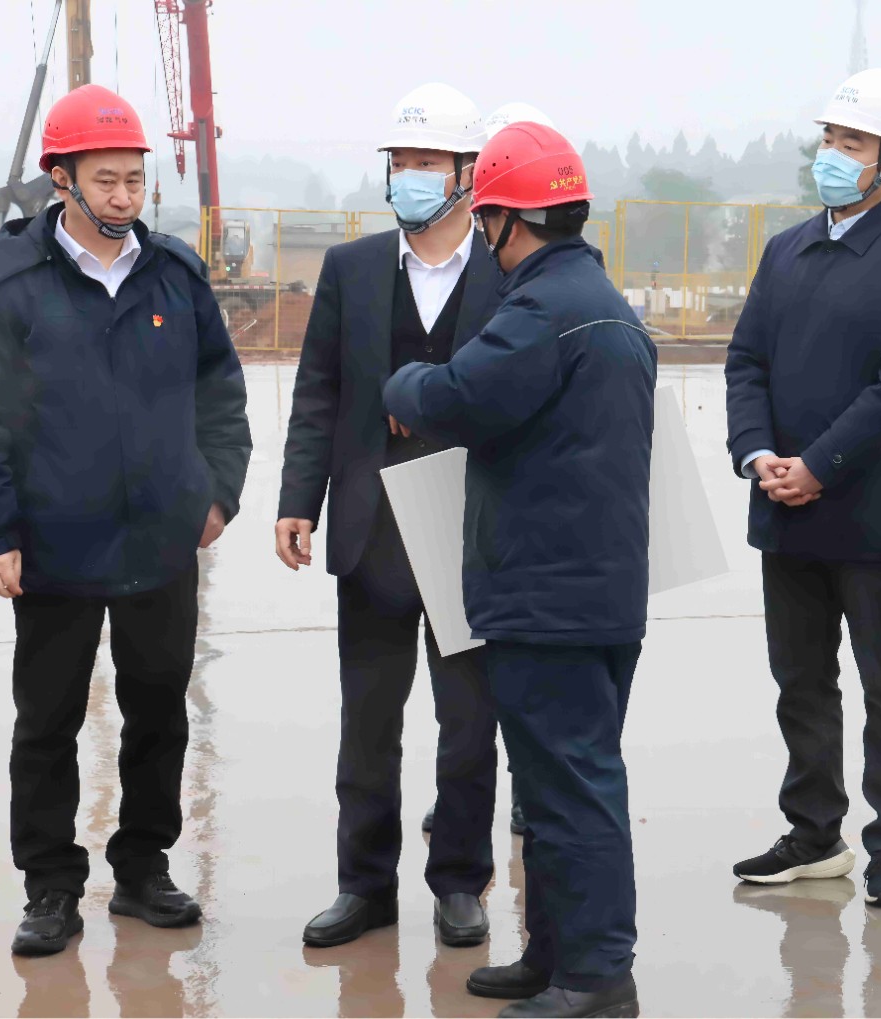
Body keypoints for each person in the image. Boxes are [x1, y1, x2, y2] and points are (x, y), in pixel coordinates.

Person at [0, 84, 252, 956]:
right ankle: (49, 885)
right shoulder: (7, 283)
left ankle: (144, 867)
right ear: (61, 179)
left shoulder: (175, 275)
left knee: (159, 711)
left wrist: (217, 493)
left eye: (134, 179)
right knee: (47, 722)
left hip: (161, 541)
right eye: (105, 179)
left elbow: (221, 393)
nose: (122, 196)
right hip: (54, 546)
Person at [384, 122, 655, 1019]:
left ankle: (598, 975)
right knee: (549, 790)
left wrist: (401, 385)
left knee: (574, 790)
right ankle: (552, 953)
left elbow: (458, 396)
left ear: (506, 219)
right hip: (594, 590)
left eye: (486, 220)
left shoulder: (541, 309)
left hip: (549, 596)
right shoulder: (603, 300)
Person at [724, 68, 881, 909]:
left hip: (870, 514)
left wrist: (818, 465)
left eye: (852, 142)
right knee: (801, 681)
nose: (832, 154)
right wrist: (758, 455)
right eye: (829, 138)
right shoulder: (786, 249)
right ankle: (814, 832)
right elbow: (746, 360)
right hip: (783, 508)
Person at [277, 82, 501, 951]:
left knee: (468, 723)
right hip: (372, 524)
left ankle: (459, 880)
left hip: (467, 524)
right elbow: (319, 390)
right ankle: (363, 884)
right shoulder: (353, 268)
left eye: (426, 162)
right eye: (399, 161)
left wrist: (435, 404)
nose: (408, 176)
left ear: (467, 172)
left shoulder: (505, 268)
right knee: (368, 721)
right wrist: (298, 501)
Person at [416, 99, 560, 842]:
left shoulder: (540, 275)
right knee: (474, 684)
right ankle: (470, 797)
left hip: (533, 507)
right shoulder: (486, 256)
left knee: (533, 674)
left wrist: (418, 394)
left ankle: (529, 795)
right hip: (464, 503)